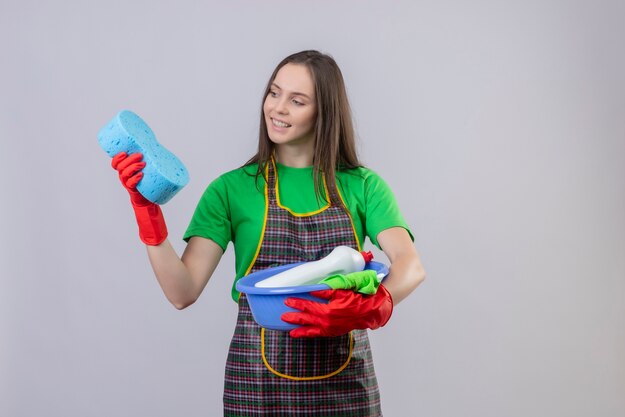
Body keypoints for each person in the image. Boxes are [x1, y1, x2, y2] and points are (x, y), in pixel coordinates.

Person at [110, 50, 426, 417]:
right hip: (257, 388)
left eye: (297, 100)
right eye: (274, 93)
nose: (278, 108)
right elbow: (182, 291)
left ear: (324, 112)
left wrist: (376, 304)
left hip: (346, 388)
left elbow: (410, 266)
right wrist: (147, 213)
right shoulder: (231, 190)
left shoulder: (364, 186)